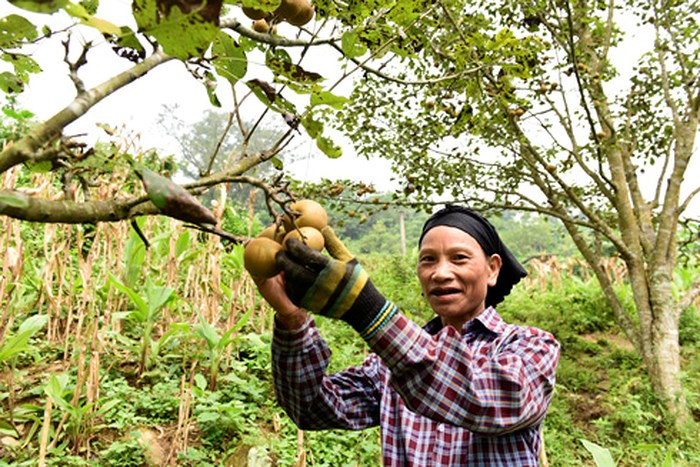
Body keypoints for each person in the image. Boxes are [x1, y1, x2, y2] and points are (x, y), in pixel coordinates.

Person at [253, 204, 560, 466]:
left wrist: (367, 308)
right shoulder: (388, 364)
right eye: (428, 259)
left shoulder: (532, 346)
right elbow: (311, 408)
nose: (440, 273)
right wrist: (292, 317)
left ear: (492, 270)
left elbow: (485, 400)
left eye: (459, 258)